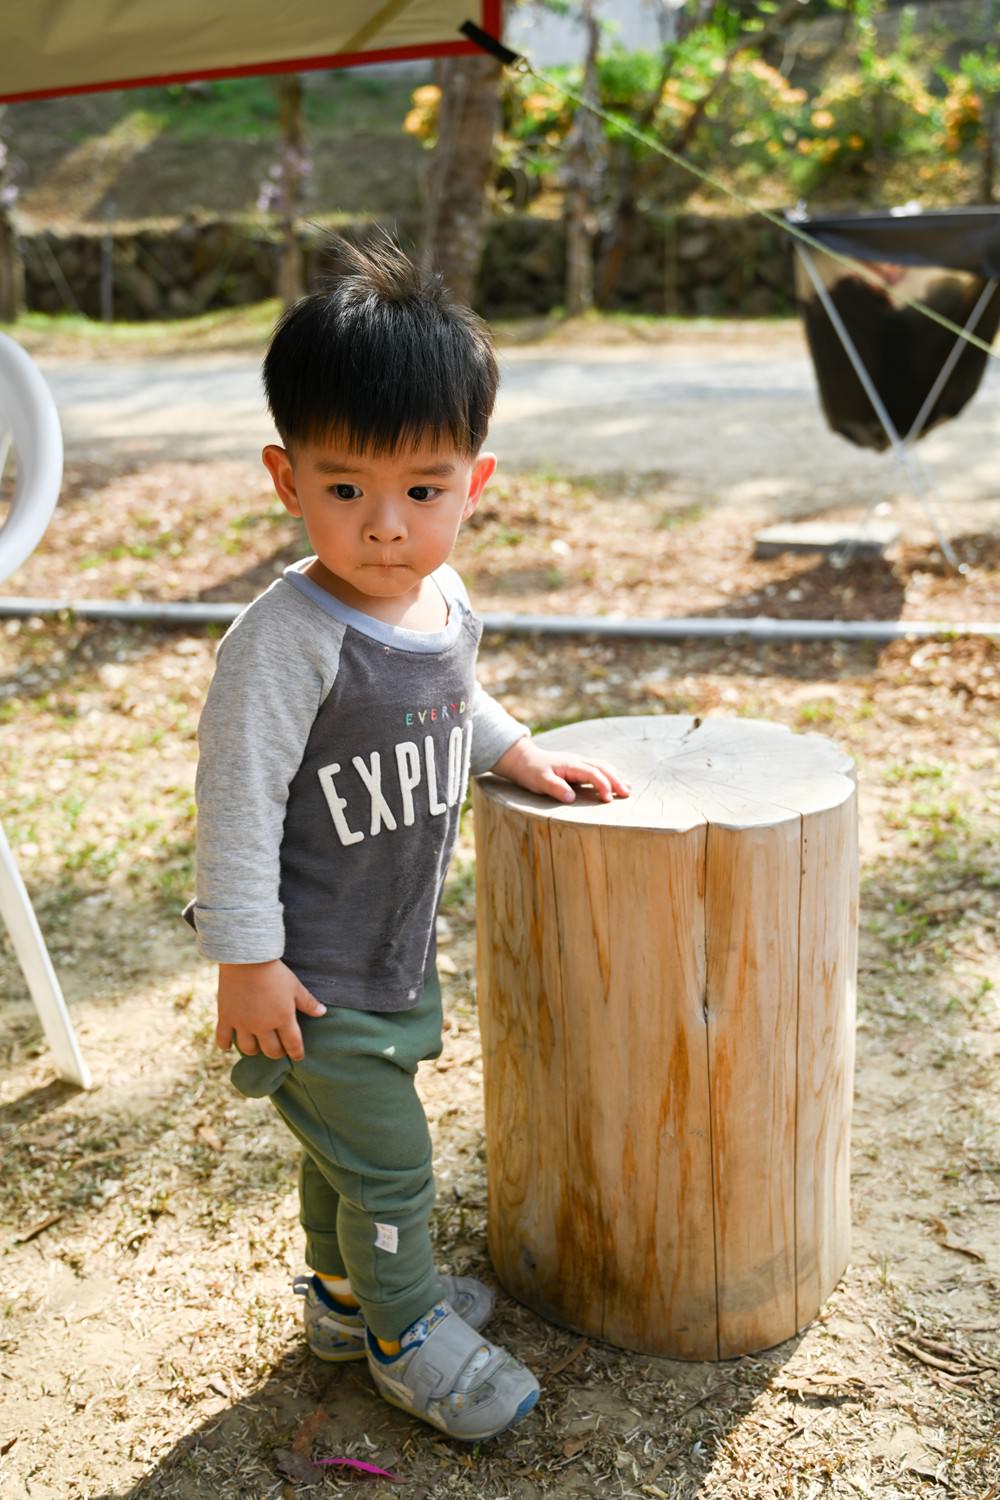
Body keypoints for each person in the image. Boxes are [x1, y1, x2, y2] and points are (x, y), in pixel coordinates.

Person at [185, 227, 630, 1443]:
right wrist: (245, 958)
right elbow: (231, 801)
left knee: (341, 1163)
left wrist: (511, 746)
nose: (387, 526)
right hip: (310, 978)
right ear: (287, 480)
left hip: (388, 956)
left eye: (421, 491)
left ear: (471, 484)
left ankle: (343, 1300)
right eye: (346, 490)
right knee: (387, 1167)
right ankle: (403, 1333)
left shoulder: (441, 598)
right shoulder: (284, 643)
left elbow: (450, 690)